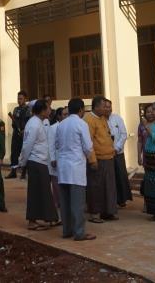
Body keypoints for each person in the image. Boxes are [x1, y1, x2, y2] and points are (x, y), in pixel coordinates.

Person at [54, 98, 96, 241]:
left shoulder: (61, 124)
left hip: (63, 167)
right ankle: (79, 232)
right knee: (78, 203)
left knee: (65, 202)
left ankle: (67, 230)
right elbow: (88, 147)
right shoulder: (81, 124)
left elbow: (57, 144)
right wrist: (91, 159)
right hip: (76, 167)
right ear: (81, 110)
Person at [19, 99, 58, 230]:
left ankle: (50, 218)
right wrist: (22, 162)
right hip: (35, 161)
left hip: (41, 161)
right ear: (42, 111)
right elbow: (27, 146)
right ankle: (32, 221)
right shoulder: (34, 124)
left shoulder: (40, 122)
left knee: (44, 191)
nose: (50, 110)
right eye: (48, 108)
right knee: (35, 192)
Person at [84, 95, 118, 222]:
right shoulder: (89, 119)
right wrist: (92, 160)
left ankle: (107, 212)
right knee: (96, 187)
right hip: (97, 159)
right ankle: (95, 214)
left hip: (108, 157)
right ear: (96, 107)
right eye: (104, 106)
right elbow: (88, 142)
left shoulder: (103, 118)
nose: (106, 109)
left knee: (109, 187)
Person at [105, 99, 132, 207]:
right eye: (106, 106)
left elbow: (123, 134)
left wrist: (117, 148)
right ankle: (111, 200)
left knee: (120, 175)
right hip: (105, 154)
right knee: (109, 178)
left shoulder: (117, 118)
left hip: (118, 153)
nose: (108, 109)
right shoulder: (100, 119)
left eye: (109, 106)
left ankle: (122, 199)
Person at [7, 91, 31, 179]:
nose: (19, 100)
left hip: (25, 134)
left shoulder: (28, 110)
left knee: (25, 153)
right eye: (18, 98)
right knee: (14, 153)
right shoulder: (16, 109)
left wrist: (24, 130)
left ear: (25, 99)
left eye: (21, 99)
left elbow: (29, 122)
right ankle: (13, 171)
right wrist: (16, 128)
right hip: (16, 134)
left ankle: (24, 172)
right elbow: (13, 123)